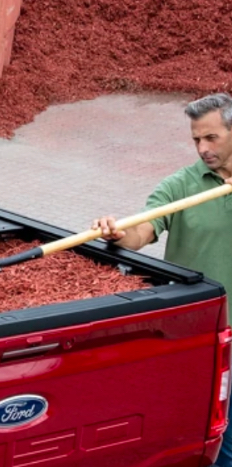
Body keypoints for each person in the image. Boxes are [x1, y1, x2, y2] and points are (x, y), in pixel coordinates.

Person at [91, 93, 232, 467]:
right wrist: (117, 233)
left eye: (211, 138)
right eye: (196, 139)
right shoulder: (182, 186)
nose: (202, 148)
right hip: (204, 335)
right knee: (213, 439)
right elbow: (144, 228)